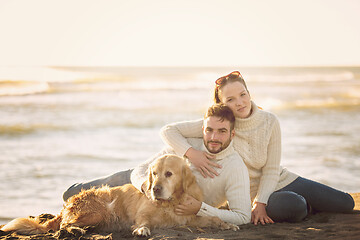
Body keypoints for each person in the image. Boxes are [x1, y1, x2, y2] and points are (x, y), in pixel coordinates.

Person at [160, 71, 355, 225]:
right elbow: (168, 131)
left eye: (242, 95)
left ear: (249, 93)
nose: (239, 102)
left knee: (347, 203)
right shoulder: (222, 126)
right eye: (230, 100)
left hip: (281, 180)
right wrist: (192, 154)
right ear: (222, 104)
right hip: (251, 193)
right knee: (296, 207)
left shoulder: (270, 121)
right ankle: (307, 205)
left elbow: (271, 170)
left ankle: (308, 201)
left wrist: (261, 203)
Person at [64, 104, 252, 225]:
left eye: (222, 131)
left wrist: (199, 208)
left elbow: (243, 217)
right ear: (202, 129)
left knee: (91, 211)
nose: (213, 137)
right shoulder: (187, 144)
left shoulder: (235, 167)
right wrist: (148, 186)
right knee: (75, 195)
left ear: (232, 134)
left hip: (157, 194)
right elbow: (140, 170)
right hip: (140, 181)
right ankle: (72, 191)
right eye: (209, 130)